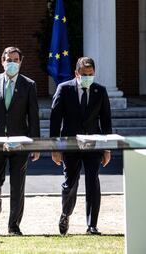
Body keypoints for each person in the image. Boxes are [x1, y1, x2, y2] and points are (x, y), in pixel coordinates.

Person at [0, 46, 40, 236]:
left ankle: (13, 226)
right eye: (8, 59)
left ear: (20, 62)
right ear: (2, 61)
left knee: (17, 185)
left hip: (19, 141)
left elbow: (33, 116)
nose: (11, 63)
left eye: (15, 60)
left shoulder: (29, 85)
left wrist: (34, 143)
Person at [50, 56, 112, 236]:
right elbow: (55, 120)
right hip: (70, 144)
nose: (87, 77)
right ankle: (65, 214)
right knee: (70, 182)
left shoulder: (100, 91)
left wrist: (107, 148)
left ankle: (92, 225)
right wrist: (55, 147)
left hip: (93, 144)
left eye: (91, 74)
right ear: (76, 73)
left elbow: (106, 121)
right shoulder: (64, 89)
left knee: (93, 181)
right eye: (84, 74)